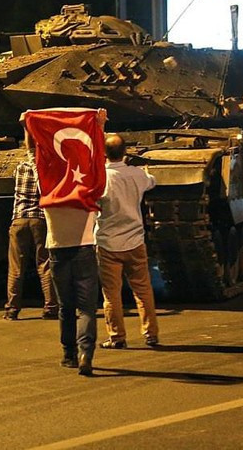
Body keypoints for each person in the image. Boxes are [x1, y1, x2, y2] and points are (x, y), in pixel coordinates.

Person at [29, 109, 107, 377]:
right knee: (87, 308)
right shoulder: (88, 192)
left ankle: (68, 354)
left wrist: (29, 128)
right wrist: (99, 127)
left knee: (65, 307)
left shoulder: (48, 194)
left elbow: (37, 159)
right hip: (85, 252)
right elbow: (98, 163)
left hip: (57, 253)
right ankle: (87, 352)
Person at [95, 134, 159, 349]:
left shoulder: (99, 177)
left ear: (104, 153)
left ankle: (117, 337)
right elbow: (151, 182)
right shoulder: (136, 174)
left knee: (111, 294)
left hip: (107, 243)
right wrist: (146, 170)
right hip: (135, 241)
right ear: (124, 152)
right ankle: (150, 334)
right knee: (143, 290)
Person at [3, 128, 59, 322]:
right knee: (44, 264)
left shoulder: (19, 167)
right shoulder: (47, 169)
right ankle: (51, 307)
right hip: (40, 220)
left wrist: (27, 127)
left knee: (16, 267)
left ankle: (12, 309)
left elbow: (29, 151)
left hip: (18, 220)